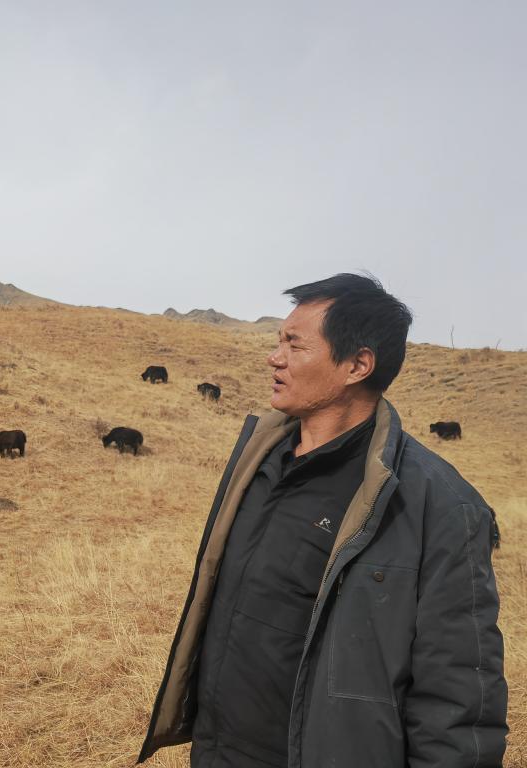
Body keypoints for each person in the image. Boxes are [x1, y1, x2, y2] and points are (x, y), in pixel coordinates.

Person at [138, 274, 506, 767]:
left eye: (294, 345)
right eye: (278, 342)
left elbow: (457, 695)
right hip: (217, 752)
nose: (274, 358)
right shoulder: (257, 461)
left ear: (357, 365)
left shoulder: (439, 505)